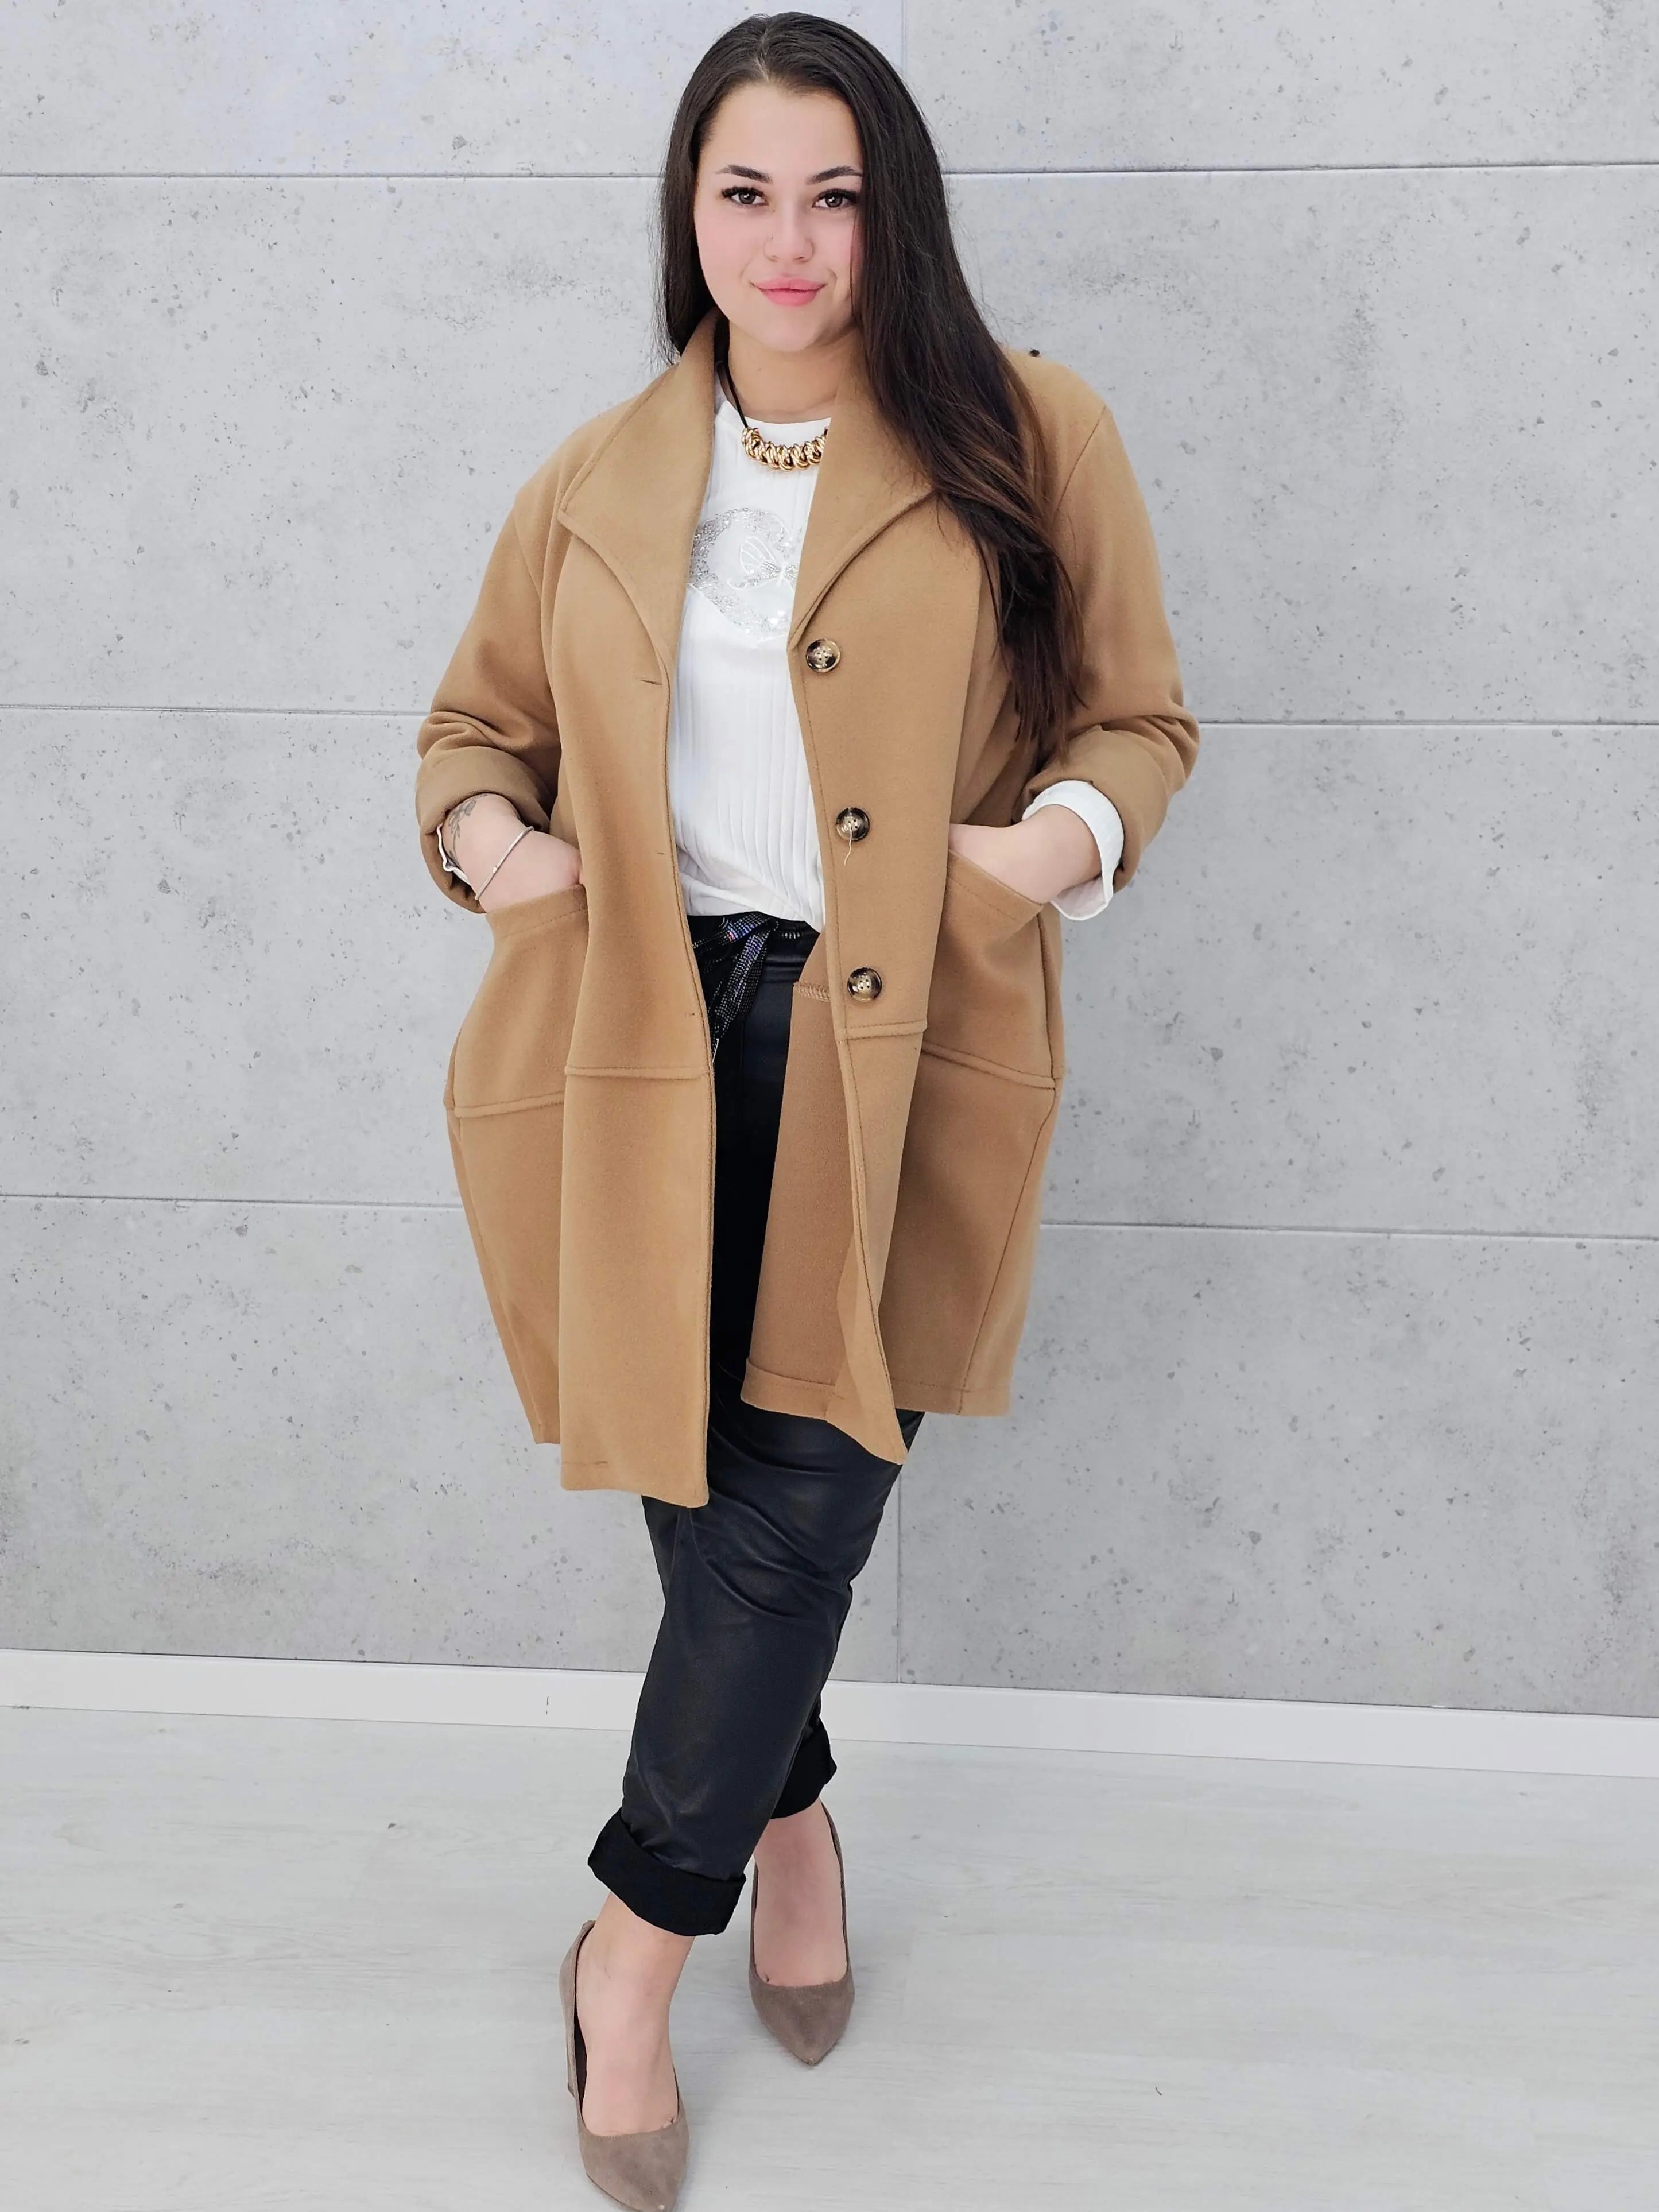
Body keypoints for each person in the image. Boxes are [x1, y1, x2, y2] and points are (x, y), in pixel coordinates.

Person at [414, 14, 1198, 2206]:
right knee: (704, 1496)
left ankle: (630, 1951)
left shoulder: (1028, 431)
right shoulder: (595, 477)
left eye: (834, 195)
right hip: (630, 1052)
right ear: (688, 211)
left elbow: (1137, 719)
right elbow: (467, 734)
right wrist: (497, 852)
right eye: (745, 193)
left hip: (893, 1050)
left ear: (892, 211)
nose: (789, 241)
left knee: (797, 1510)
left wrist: (1034, 855)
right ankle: (794, 1826)